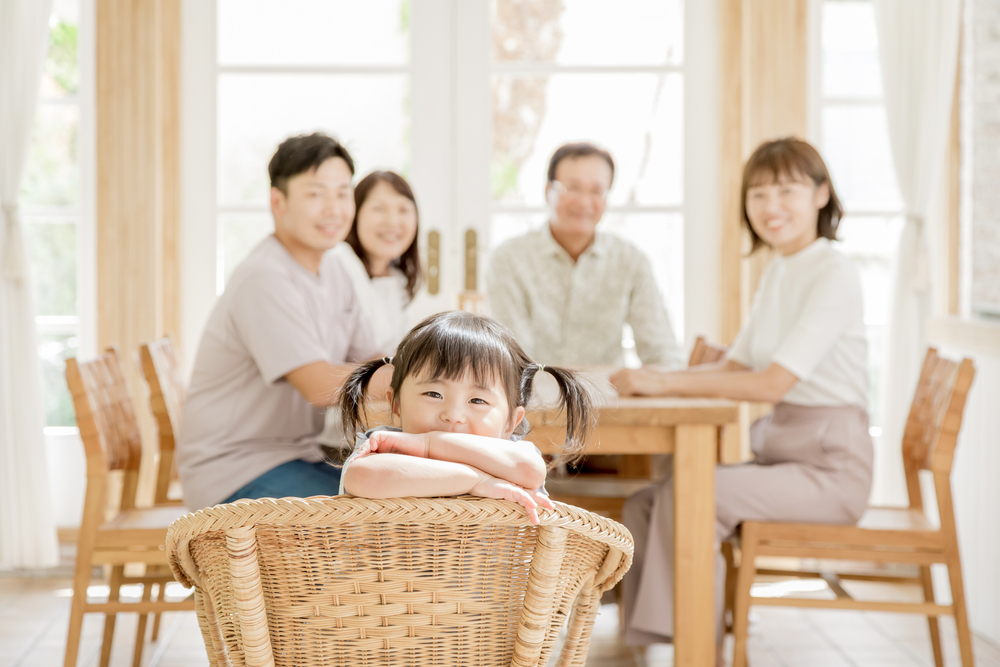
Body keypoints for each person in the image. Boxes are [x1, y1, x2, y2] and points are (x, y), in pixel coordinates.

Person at [610, 138, 872, 661]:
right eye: (757, 194)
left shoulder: (833, 272)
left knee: (692, 496)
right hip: (782, 453)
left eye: (786, 190)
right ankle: (644, 645)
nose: (770, 206)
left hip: (829, 469)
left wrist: (663, 384)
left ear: (821, 195)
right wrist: (658, 372)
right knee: (644, 500)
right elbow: (736, 365)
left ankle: (695, 648)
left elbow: (771, 383)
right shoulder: (780, 268)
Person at [177, 132, 386, 511]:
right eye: (315, 194)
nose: (334, 209)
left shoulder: (335, 270)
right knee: (368, 514)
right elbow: (318, 385)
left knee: (391, 494)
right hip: (234, 470)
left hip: (295, 455)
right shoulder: (265, 276)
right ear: (278, 201)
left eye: (342, 193)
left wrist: (414, 377)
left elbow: (373, 360)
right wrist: (416, 381)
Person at [334, 310, 597, 524]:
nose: (454, 415)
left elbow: (530, 471)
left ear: (511, 423)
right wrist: (476, 480)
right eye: (433, 394)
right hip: (392, 586)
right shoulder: (385, 445)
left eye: (477, 400)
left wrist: (429, 443)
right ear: (397, 405)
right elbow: (360, 477)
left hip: (490, 587)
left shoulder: (512, 454)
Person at [486, 142, 684, 369]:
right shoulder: (508, 260)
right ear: (548, 191)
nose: (584, 202)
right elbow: (513, 361)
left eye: (597, 191)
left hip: (610, 400)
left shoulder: (631, 261)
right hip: (533, 400)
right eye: (572, 188)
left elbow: (664, 354)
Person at [332, 170, 421, 355]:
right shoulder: (339, 261)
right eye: (379, 208)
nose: (393, 221)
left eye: (403, 210)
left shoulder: (398, 278)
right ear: (355, 213)